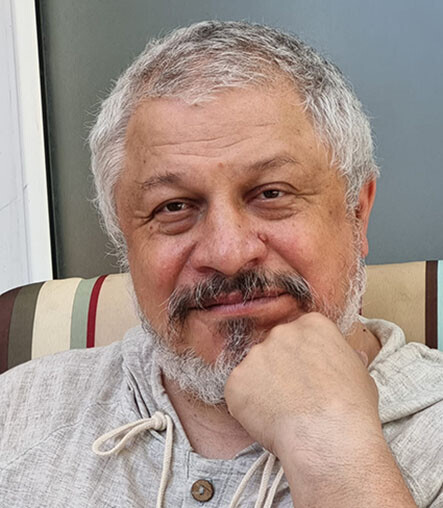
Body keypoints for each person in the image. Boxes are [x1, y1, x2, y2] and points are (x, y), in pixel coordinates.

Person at [0, 20, 442, 508]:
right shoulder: (17, 413)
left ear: (357, 214)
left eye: (271, 194)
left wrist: (336, 459)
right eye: (173, 207)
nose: (228, 254)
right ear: (125, 239)